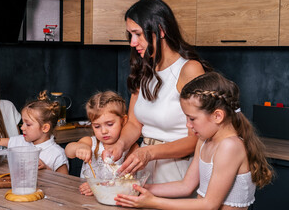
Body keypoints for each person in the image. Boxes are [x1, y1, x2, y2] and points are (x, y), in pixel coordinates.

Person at [115, 72, 273, 209]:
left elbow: (209, 204)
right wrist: (136, 187)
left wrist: (153, 202)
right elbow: (185, 186)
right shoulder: (204, 140)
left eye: (192, 118)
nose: (188, 125)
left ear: (217, 116)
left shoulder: (229, 146)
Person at [103, 0, 212, 184]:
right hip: (143, 164)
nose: (132, 42)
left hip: (177, 169)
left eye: (137, 34)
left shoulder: (189, 70)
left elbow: (198, 138)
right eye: (131, 35)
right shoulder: (144, 69)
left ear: (160, 30)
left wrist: (149, 152)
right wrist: (120, 145)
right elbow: (135, 124)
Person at [0, 90, 69, 174]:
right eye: (23, 123)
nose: (22, 128)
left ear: (45, 128)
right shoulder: (19, 141)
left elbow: (65, 183)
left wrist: (46, 169)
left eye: (28, 124)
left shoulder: (57, 154)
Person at [65, 91, 138, 195]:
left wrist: (98, 187)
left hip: (115, 199)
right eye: (97, 126)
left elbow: (128, 182)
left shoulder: (131, 148)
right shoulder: (91, 142)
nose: (103, 131)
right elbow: (68, 150)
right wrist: (80, 147)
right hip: (85, 198)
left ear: (124, 120)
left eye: (109, 124)